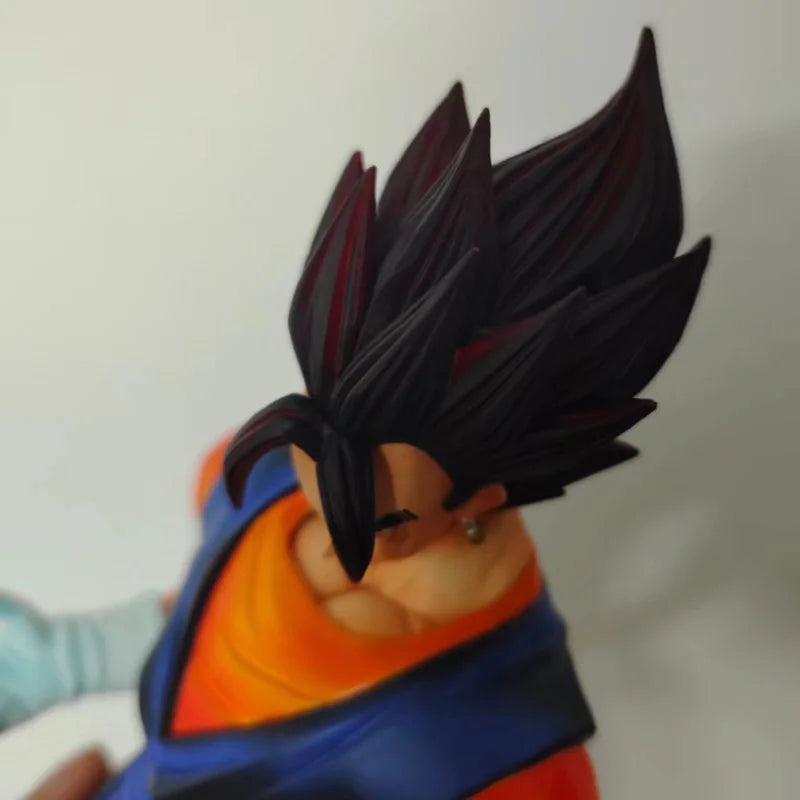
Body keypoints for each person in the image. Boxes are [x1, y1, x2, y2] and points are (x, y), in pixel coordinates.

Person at [3, 28, 711, 799]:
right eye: (309, 437)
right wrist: (68, 659)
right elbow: (213, 618)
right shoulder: (267, 474)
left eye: (383, 520)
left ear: (479, 500)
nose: (316, 506)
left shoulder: (514, 749)